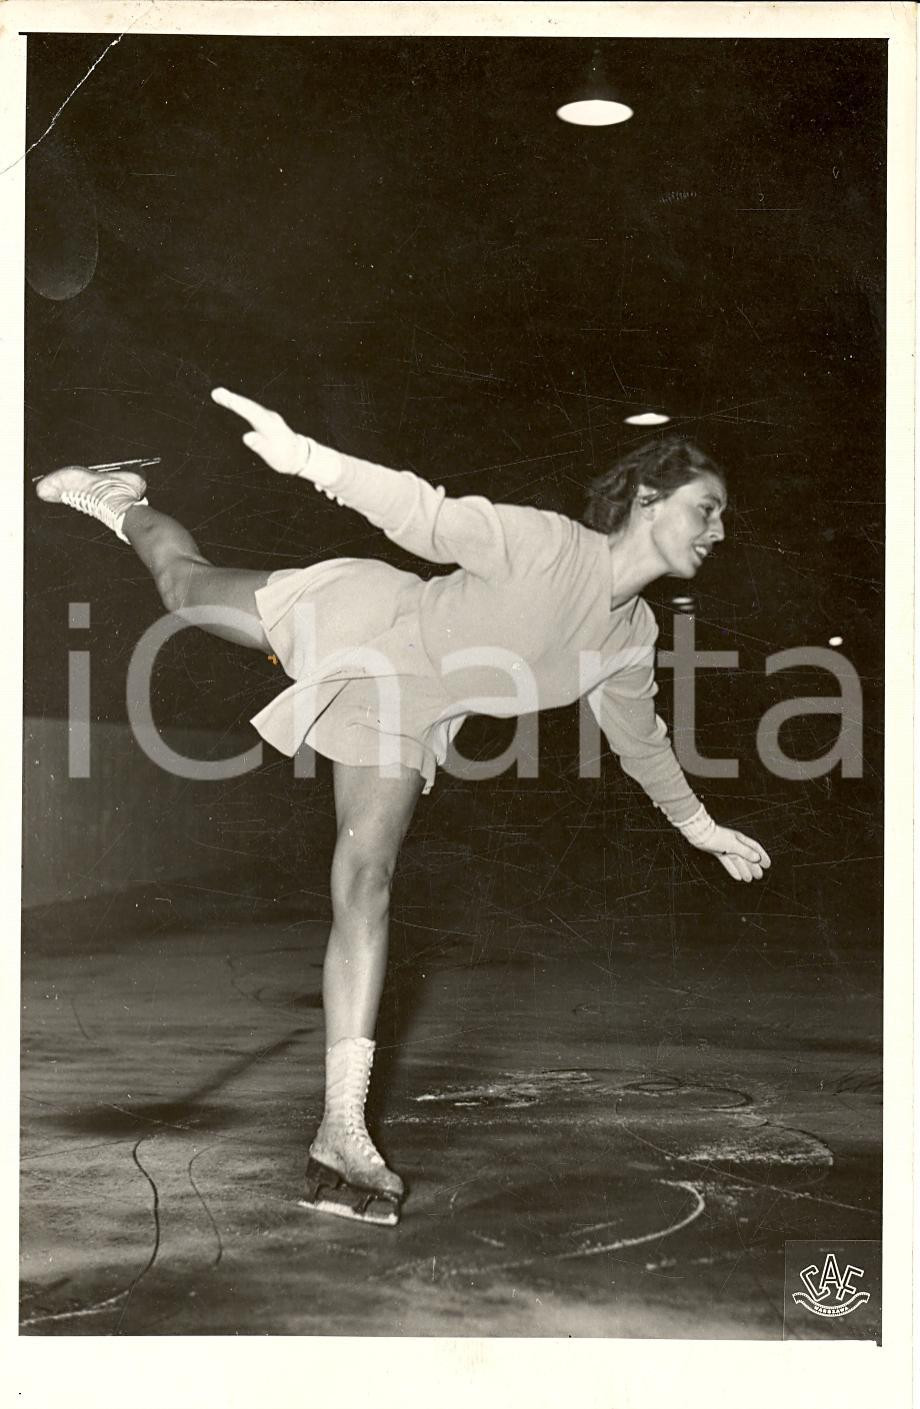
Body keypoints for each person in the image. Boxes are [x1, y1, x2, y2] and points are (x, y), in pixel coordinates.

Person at [35, 387, 771, 1227]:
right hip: (366, 621)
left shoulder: (630, 636)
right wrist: (307, 459)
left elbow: (642, 740)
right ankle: (120, 499)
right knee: (183, 588)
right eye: (706, 508)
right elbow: (422, 513)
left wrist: (700, 827)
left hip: (407, 708)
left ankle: (340, 1133)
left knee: (365, 882)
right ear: (647, 499)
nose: (719, 530)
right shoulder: (548, 546)